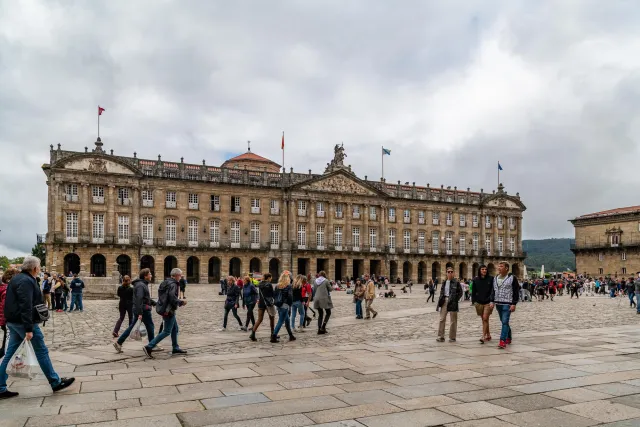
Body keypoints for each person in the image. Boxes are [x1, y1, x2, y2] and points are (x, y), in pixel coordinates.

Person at [0, 256, 75, 399]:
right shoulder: (26, 281)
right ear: (35, 268)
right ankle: (55, 382)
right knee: (41, 351)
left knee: (9, 354)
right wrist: (28, 328)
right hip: (24, 323)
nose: (39, 269)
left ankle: (0, 387)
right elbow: (25, 305)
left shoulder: (17, 278)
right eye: (39, 267)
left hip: (14, 321)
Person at [143, 268, 188, 358]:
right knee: (167, 331)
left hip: (164, 308)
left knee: (175, 329)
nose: (181, 277)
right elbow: (172, 297)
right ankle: (149, 346)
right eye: (180, 275)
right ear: (176, 275)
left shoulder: (165, 282)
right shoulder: (173, 284)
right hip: (168, 310)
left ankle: (175, 347)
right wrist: (181, 302)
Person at [114, 269, 156, 353]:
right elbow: (139, 299)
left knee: (132, 326)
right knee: (150, 326)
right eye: (150, 274)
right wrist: (140, 312)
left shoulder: (141, 284)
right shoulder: (141, 285)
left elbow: (144, 298)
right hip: (143, 310)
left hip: (140, 309)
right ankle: (152, 345)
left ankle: (119, 342)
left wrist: (153, 303)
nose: (151, 275)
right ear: (145, 276)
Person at [490, 262, 520, 349]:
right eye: (498, 266)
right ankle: (509, 337)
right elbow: (493, 290)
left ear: (506, 268)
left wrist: (514, 303)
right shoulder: (495, 278)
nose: (499, 268)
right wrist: (492, 301)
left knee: (504, 321)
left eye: (501, 266)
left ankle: (502, 341)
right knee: (504, 322)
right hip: (498, 303)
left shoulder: (512, 278)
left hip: (507, 303)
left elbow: (516, 291)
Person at [436, 267, 463, 343]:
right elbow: (442, 292)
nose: (450, 273)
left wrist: (455, 299)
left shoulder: (456, 282)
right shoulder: (444, 282)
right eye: (448, 272)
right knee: (442, 319)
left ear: (453, 273)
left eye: (451, 272)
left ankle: (452, 337)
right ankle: (441, 336)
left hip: (453, 302)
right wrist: (440, 301)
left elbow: (460, 292)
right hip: (445, 300)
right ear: (446, 273)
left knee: (453, 320)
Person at [250, 273, 276, 341]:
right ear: (269, 278)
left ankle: (253, 333)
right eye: (271, 278)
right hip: (268, 303)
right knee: (272, 318)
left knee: (259, 319)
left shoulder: (260, 284)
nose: (271, 279)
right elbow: (272, 294)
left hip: (261, 303)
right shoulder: (269, 284)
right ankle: (272, 334)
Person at [471, 265, 493, 344]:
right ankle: (488, 334)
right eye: (482, 269)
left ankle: (483, 336)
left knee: (484, 318)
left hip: (488, 302)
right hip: (479, 302)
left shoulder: (491, 279)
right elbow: (473, 291)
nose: (484, 270)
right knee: (484, 320)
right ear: (479, 270)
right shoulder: (476, 280)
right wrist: (474, 301)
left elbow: (493, 290)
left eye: (485, 269)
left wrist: (492, 300)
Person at [272, 272, 296, 343]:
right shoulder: (288, 286)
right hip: (285, 305)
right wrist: (289, 304)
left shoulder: (277, 286)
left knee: (287, 321)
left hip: (278, 305)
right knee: (281, 321)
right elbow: (290, 296)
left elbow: (274, 295)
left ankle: (291, 335)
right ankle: (274, 336)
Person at [0, 268, 18, 359]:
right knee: (8, 342)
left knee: (7, 341)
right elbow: (4, 307)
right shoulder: (7, 290)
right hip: (8, 319)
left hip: (5, 320)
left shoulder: (5, 288)